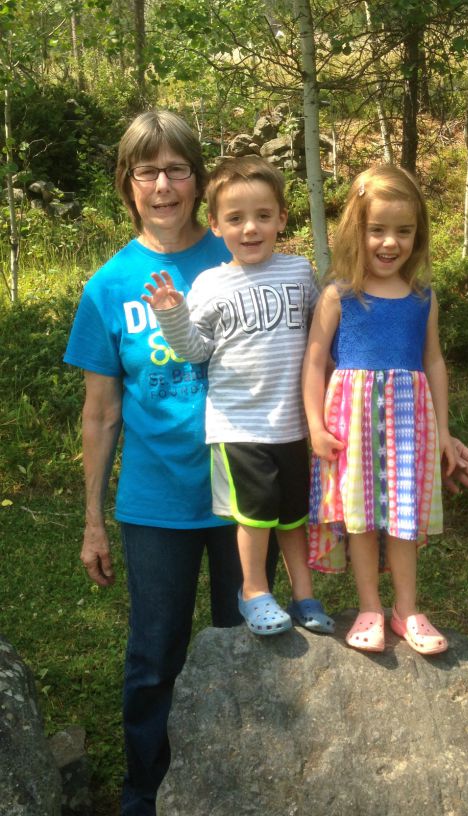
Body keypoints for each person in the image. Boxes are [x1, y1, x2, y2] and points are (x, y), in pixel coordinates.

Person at [63, 111, 279, 816]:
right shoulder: (108, 286)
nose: (163, 185)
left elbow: (298, 353)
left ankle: (242, 782)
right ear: (127, 184)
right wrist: (93, 521)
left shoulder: (239, 255)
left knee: (244, 640)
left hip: (242, 493)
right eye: (147, 171)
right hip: (155, 502)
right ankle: (145, 791)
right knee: (154, 659)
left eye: (177, 169)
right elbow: (100, 413)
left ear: (198, 177)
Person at [143, 155, 335, 638]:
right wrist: (172, 315)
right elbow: (195, 351)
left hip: (294, 424)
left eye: (263, 216)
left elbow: (322, 339)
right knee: (254, 517)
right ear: (215, 224)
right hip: (238, 428)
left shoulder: (298, 272)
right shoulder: (210, 284)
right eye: (235, 219)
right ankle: (253, 592)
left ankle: (305, 594)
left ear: (282, 218)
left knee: (293, 516)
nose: (251, 229)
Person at [302, 163, 468, 655]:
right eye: (377, 229)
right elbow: (314, 362)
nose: (389, 242)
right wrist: (314, 424)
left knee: (402, 517)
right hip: (351, 424)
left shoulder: (422, 298)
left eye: (403, 230)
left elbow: (433, 360)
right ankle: (370, 607)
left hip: (408, 424)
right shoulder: (339, 296)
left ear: (417, 235)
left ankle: (407, 609)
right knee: (360, 518)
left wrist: (442, 429)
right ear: (357, 230)